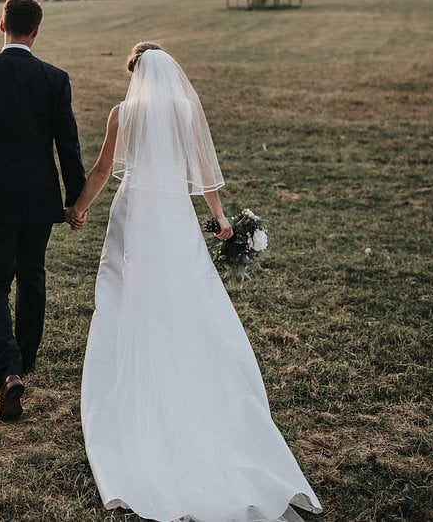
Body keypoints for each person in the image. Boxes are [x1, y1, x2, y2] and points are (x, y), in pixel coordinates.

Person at [69, 43, 322, 521]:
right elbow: (205, 169)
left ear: (136, 74)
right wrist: (221, 218)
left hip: (135, 209)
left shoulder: (122, 113)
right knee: (184, 292)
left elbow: (103, 169)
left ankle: (130, 377)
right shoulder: (185, 110)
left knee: (124, 295)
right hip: (173, 212)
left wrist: (77, 209)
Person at [0, 0, 86, 421]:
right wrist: (74, 201)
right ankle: (21, 363)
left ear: (1, 23)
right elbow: (68, 145)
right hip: (39, 198)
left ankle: (8, 371)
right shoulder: (55, 78)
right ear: (37, 30)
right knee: (32, 277)